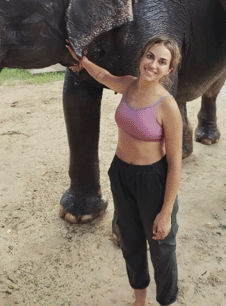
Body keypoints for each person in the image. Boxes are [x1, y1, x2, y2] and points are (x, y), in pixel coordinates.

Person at [67, 36, 183, 306]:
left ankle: (166, 301)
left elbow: (175, 164)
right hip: (120, 175)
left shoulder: (167, 106)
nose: (153, 64)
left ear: (169, 69)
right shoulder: (129, 85)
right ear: (143, 56)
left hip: (153, 180)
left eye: (161, 61)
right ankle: (139, 300)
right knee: (130, 242)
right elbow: (105, 76)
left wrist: (165, 213)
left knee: (161, 246)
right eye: (150, 56)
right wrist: (83, 62)